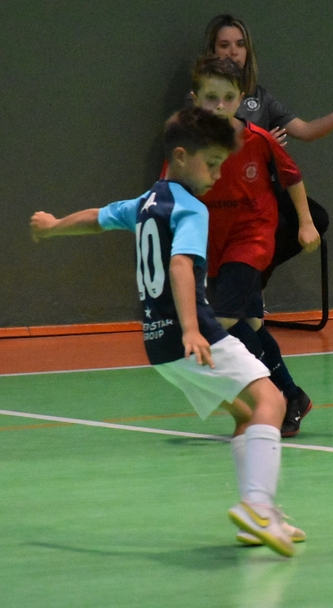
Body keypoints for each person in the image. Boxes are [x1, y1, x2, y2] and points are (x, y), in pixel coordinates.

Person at [29, 106, 302, 557]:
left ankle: (260, 514)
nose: (217, 175)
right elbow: (180, 264)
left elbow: (97, 218)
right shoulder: (191, 208)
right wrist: (193, 329)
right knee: (272, 402)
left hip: (158, 345)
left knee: (245, 414)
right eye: (211, 164)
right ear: (180, 157)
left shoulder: (145, 204)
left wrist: (54, 227)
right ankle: (257, 507)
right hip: (192, 335)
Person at [189, 55, 316, 438]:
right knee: (250, 325)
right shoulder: (188, 145)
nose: (220, 105)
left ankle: (276, 399)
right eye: (211, 97)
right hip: (215, 246)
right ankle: (293, 395)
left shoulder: (258, 139)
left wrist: (306, 222)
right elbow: (172, 189)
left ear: (241, 98)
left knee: (223, 322)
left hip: (252, 239)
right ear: (195, 99)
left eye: (229, 97)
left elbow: (292, 176)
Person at [204, 13, 333, 285]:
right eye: (224, 45)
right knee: (276, 225)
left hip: (262, 189)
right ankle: (242, 285)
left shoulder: (260, 96)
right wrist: (257, 145)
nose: (233, 52)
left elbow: (305, 131)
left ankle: (253, 282)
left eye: (240, 44)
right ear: (212, 51)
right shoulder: (202, 96)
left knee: (315, 218)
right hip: (225, 192)